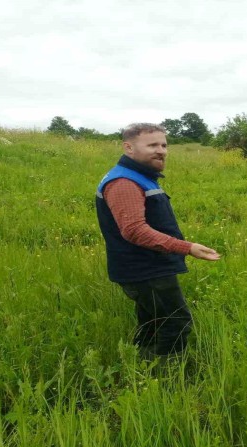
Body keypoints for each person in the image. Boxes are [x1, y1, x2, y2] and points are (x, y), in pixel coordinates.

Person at [95, 123, 221, 358]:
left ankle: (141, 364)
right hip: (145, 269)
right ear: (128, 147)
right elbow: (134, 231)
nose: (161, 150)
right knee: (175, 323)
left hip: (146, 267)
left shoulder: (138, 176)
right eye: (152, 145)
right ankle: (167, 378)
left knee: (153, 322)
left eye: (164, 145)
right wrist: (188, 248)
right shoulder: (124, 182)